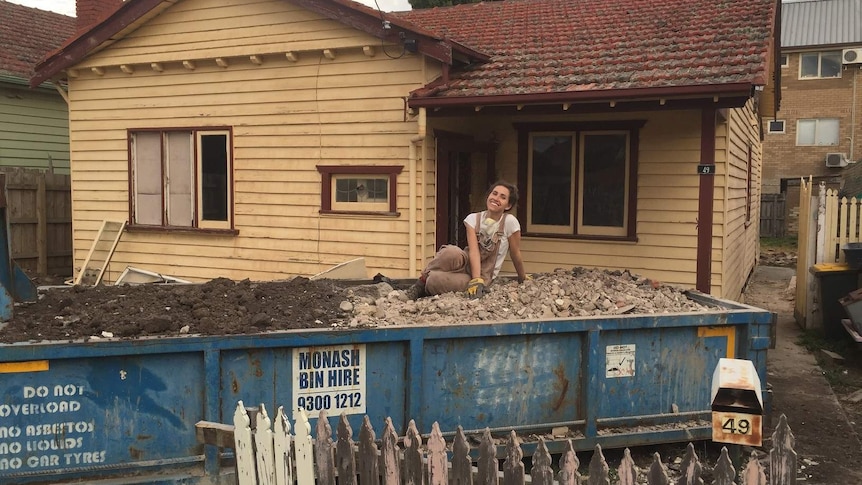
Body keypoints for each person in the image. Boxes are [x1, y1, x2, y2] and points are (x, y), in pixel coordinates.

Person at [406, 180, 529, 299]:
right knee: (450, 252)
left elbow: (515, 252)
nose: (496, 198)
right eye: (494, 193)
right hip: (466, 262)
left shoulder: (509, 222)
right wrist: (476, 279)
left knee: (434, 281)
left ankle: (428, 284)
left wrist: (522, 277)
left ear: (508, 205)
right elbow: (474, 251)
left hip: (482, 275)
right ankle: (420, 284)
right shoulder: (473, 219)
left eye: (503, 197)